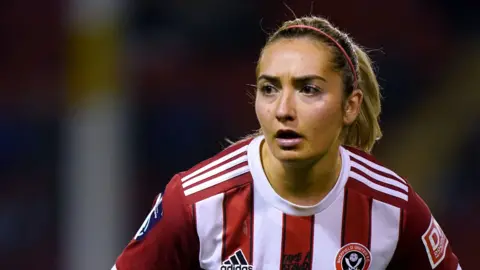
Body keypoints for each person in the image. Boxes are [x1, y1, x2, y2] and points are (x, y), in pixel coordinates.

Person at [112, 16, 461, 270]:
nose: (283, 110)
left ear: (350, 106)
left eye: (309, 89)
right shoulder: (196, 202)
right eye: (270, 88)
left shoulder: (392, 206)